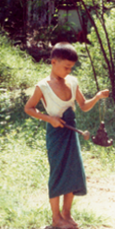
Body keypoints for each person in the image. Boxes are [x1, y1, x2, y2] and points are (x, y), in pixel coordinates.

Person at [24, 42, 109, 229]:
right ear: (53, 62)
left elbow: (84, 106)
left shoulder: (72, 82)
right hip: (56, 134)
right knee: (58, 173)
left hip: (72, 132)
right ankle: (56, 219)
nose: (69, 71)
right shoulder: (43, 86)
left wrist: (97, 97)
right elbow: (28, 108)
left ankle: (66, 214)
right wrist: (48, 118)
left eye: (71, 68)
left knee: (72, 172)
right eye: (66, 67)